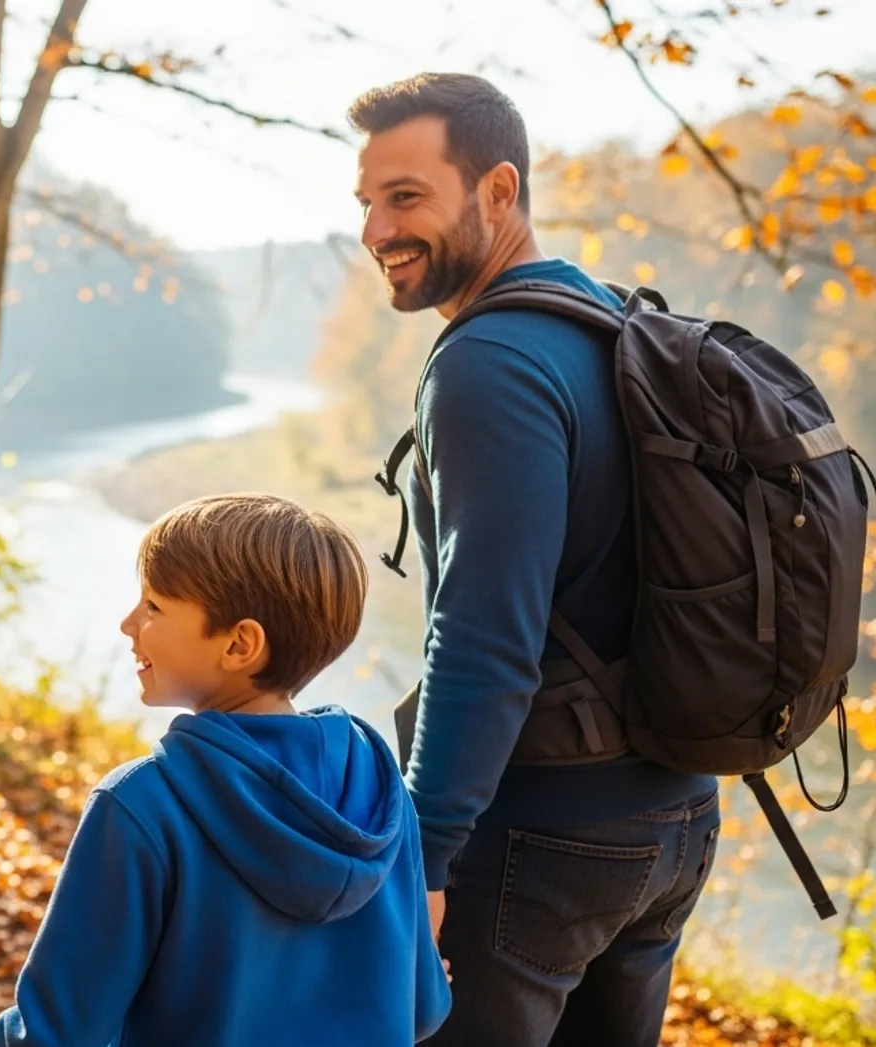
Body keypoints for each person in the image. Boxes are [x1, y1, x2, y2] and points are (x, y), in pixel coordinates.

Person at [347, 73, 722, 1045]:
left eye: (407, 196)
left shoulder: (488, 364)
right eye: (368, 201)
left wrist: (423, 859)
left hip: (542, 843)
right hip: (675, 818)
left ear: (499, 192)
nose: (376, 229)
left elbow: (482, 641)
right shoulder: (614, 325)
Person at [0, 494, 450, 1047]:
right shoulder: (379, 790)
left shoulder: (142, 806)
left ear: (240, 643)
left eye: (153, 607)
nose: (128, 623)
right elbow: (421, 1006)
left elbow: (57, 1033)